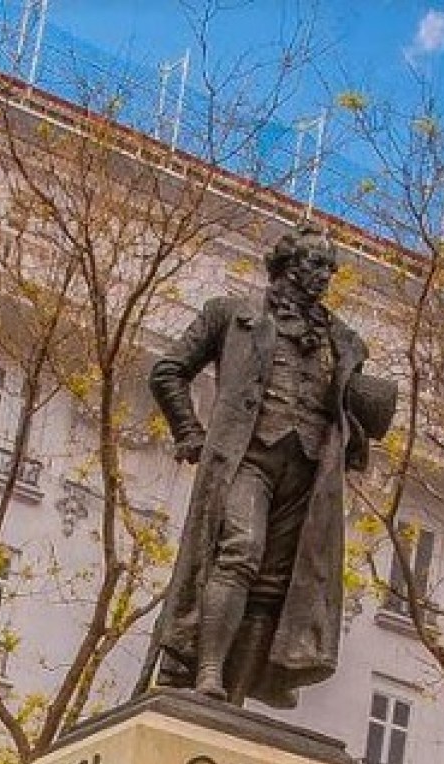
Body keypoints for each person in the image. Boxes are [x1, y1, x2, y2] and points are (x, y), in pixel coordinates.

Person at [145, 222, 397, 707]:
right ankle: (208, 674)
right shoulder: (232, 315)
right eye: (316, 263)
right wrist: (189, 432)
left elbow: (352, 412)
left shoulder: (344, 342)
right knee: (239, 551)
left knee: (275, 586)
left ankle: (236, 697)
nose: (325, 274)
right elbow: (168, 371)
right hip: (248, 457)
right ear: (286, 263)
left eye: (330, 267)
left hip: (307, 474)